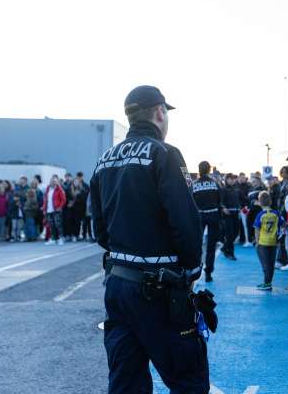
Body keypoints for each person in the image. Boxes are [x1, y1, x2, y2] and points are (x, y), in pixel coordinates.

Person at [90, 85, 207, 393]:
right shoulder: (164, 154)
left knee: (126, 381)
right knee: (188, 379)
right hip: (159, 288)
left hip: (117, 285)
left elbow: (99, 228)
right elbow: (186, 219)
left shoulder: (105, 159)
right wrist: (192, 271)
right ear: (159, 113)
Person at [192, 161, 223, 282]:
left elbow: (191, 202)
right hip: (213, 215)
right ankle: (208, 273)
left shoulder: (194, 185)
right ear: (209, 170)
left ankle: (195, 268)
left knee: (197, 244)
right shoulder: (215, 184)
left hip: (199, 216)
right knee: (211, 246)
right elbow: (220, 200)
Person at [253, 191, 284, 291]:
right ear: (270, 201)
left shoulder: (260, 215)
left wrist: (257, 242)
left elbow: (257, 229)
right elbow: (283, 224)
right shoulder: (276, 213)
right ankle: (268, 282)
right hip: (273, 242)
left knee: (265, 264)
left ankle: (267, 283)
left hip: (263, 242)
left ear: (259, 202)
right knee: (271, 263)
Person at [221, 174, 241, 261]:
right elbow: (219, 201)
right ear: (226, 180)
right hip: (227, 214)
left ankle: (225, 247)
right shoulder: (223, 189)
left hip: (236, 213)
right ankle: (229, 253)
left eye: (233, 179)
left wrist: (241, 207)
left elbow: (241, 199)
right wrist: (223, 208)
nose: (232, 180)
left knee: (236, 232)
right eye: (230, 179)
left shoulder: (236, 189)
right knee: (230, 234)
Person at [43, 175, 66, 246]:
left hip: (56, 210)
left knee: (58, 225)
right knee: (51, 225)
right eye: (51, 181)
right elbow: (45, 200)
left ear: (56, 182)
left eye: (54, 181)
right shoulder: (48, 189)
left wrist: (60, 207)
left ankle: (61, 238)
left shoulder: (59, 189)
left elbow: (63, 199)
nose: (52, 182)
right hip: (49, 210)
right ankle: (53, 239)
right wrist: (44, 209)